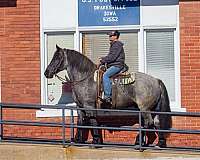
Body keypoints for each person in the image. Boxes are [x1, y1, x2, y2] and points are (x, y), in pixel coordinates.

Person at [98, 30, 125, 103]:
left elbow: (112, 57)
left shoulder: (117, 45)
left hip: (117, 65)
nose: (109, 37)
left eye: (111, 36)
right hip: (115, 64)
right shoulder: (114, 44)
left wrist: (103, 60)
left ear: (115, 36)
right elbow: (110, 56)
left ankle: (108, 97)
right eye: (109, 36)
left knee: (105, 75)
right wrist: (103, 59)